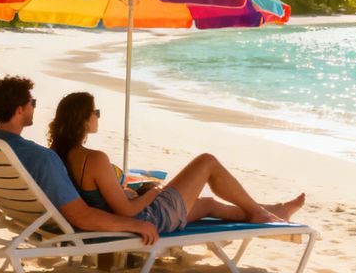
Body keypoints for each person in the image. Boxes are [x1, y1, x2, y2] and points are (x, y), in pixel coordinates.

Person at [47, 91, 305, 234]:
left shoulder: (59, 154)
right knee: (207, 161)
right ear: (83, 119)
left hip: (122, 214)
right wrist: (155, 192)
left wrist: (130, 189)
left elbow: (101, 199)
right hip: (148, 218)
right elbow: (127, 212)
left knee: (209, 204)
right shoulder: (94, 158)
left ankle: (275, 210)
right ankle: (259, 212)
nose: (98, 117)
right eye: (96, 112)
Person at [0, 75, 160, 244]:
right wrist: (136, 225)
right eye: (32, 103)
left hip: (25, 218)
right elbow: (81, 216)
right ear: (20, 110)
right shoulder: (42, 159)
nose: (34, 107)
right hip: (62, 227)